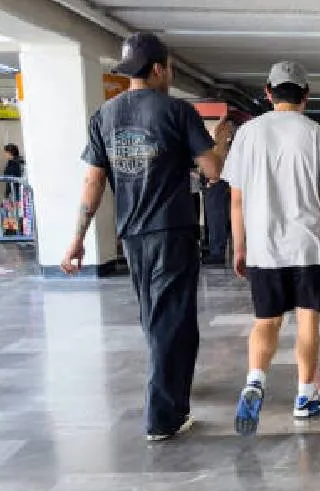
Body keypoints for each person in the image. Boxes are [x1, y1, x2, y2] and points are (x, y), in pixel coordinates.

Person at [60, 32, 222, 441]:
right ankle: (163, 417)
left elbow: (93, 180)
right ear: (157, 69)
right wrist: (217, 140)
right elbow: (213, 170)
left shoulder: (104, 116)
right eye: (168, 68)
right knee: (173, 318)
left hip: (131, 235)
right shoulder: (178, 111)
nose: (169, 74)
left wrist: (77, 237)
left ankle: (174, 384)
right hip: (172, 230)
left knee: (154, 314)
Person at [223, 61, 320, 437]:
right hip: (310, 248)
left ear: (268, 92)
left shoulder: (247, 135)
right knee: (308, 321)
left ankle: (255, 380)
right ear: (306, 95)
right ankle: (305, 395)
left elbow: (236, 199)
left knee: (266, 320)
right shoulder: (319, 136)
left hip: (264, 248)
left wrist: (240, 246)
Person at [202, 117, 237, 265]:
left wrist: (212, 180)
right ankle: (218, 250)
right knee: (222, 218)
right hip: (225, 184)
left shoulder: (222, 140)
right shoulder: (231, 141)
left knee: (217, 218)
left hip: (218, 183)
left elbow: (217, 163)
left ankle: (217, 252)